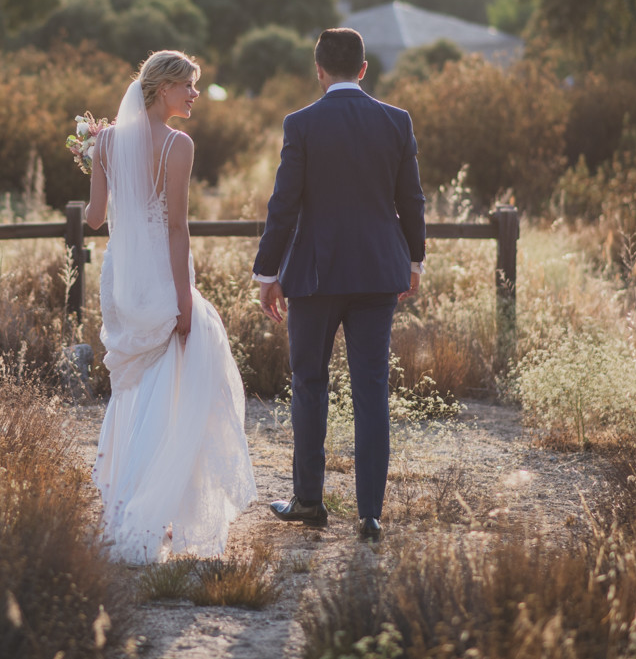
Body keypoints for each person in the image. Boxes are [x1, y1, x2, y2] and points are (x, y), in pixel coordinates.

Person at [252, 28, 426, 543]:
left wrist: (267, 273)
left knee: (310, 382)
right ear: (364, 69)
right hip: (378, 272)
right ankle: (370, 513)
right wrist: (414, 260)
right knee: (372, 388)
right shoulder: (396, 121)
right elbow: (411, 200)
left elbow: (284, 204)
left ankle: (309, 500)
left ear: (319, 70)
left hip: (315, 275)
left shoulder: (301, 123)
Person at [87, 50, 257, 563]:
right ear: (164, 89)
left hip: (121, 278)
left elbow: (94, 218)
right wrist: (185, 300)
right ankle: (152, 504)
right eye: (189, 85)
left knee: (134, 384)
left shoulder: (106, 142)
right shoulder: (178, 146)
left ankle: (131, 501)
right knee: (175, 380)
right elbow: (178, 229)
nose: (195, 94)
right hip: (161, 273)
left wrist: (95, 160)